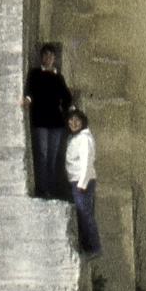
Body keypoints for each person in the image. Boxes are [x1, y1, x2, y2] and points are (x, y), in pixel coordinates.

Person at [22, 42, 73, 199]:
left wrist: (64, 109)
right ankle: (42, 188)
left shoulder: (58, 77)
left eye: (51, 55)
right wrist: (28, 100)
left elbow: (67, 97)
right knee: (42, 155)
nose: (48, 58)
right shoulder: (35, 73)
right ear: (41, 57)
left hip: (56, 123)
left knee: (52, 157)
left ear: (54, 58)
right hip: (40, 120)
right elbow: (30, 90)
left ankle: (50, 189)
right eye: (45, 55)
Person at [65, 108, 101, 257]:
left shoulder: (84, 139)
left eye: (77, 120)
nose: (74, 123)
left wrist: (82, 182)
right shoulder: (75, 138)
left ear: (83, 122)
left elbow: (87, 161)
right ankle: (87, 246)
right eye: (71, 120)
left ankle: (93, 248)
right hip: (75, 180)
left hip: (82, 181)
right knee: (82, 214)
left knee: (85, 214)